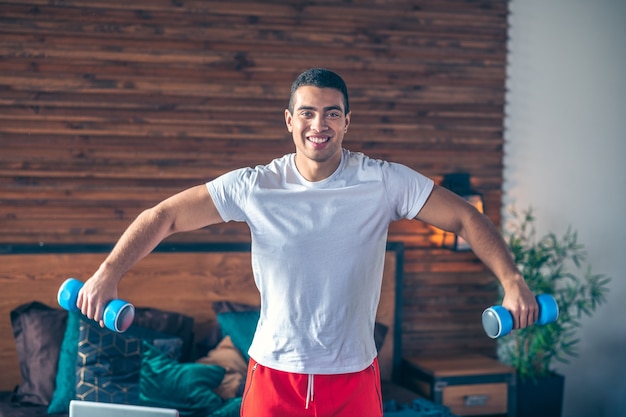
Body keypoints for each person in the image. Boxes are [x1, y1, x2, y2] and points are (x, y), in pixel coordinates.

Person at [77, 68, 538, 417]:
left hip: (354, 375)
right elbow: (165, 216)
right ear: (289, 120)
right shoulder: (255, 186)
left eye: (331, 113)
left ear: (346, 122)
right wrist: (108, 272)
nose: (319, 124)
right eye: (308, 112)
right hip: (273, 375)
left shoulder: (382, 181)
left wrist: (512, 280)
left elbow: (464, 217)